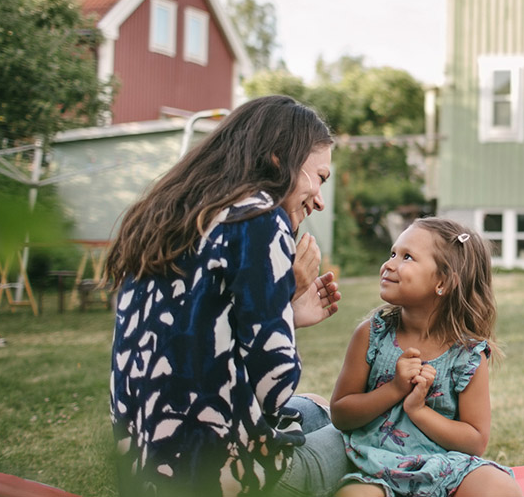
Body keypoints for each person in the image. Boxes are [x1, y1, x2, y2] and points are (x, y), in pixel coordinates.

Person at [106, 95, 347, 497]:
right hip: (219, 480)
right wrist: (287, 289)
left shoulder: (165, 215)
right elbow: (275, 388)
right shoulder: (260, 218)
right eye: (320, 177)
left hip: (144, 472)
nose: (320, 199)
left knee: (318, 406)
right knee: (360, 431)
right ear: (279, 159)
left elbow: (198, 348)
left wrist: (283, 307)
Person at [330, 218, 524, 497]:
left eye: (407, 257)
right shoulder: (371, 335)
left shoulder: (467, 356)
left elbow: (475, 441)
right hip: (376, 468)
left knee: (498, 487)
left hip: (445, 470)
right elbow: (340, 414)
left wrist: (419, 411)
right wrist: (394, 389)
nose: (389, 264)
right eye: (393, 253)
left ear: (443, 282)